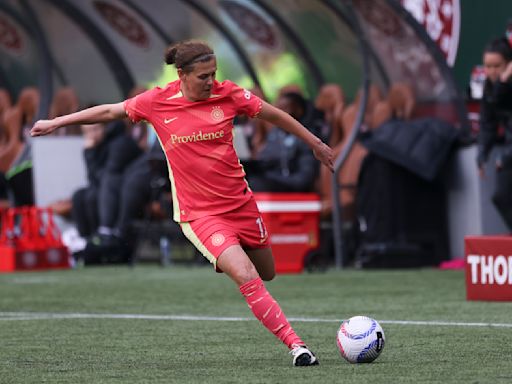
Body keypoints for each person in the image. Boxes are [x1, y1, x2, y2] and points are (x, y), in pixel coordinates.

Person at [31, 40, 333, 366]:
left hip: (241, 205)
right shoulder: (157, 102)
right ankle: (297, 347)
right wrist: (56, 123)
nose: (210, 81)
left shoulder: (228, 94)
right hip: (200, 214)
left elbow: (274, 114)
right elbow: (108, 111)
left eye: (214, 74)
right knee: (247, 275)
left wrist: (316, 143)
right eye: (203, 75)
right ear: (182, 74)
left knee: (267, 272)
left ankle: (230, 253)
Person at [247, 91, 320, 192]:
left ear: (298, 110)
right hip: (273, 181)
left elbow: (303, 179)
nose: (279, 115)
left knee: (254, 184)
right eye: (277, 109)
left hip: (293, 188)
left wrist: (271, 178)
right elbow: (265, 161)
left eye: (284, 108)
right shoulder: (275, 133)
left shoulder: (308, 138)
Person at [477, 37, 512, 231]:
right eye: (487, 66)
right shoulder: (491, 87)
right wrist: (482, 154)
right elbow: (487, 123)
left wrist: (506, 158)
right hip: (509, 152)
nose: (491, 71)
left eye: (496, 66)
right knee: (502, 196)